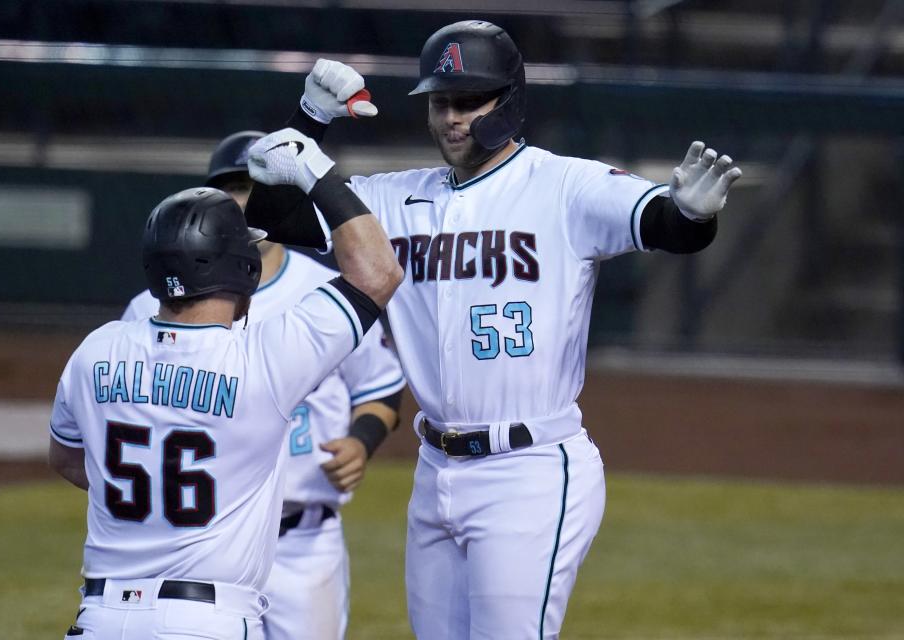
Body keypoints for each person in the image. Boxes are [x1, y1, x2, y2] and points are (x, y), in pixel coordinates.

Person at [244, 20, 743, 640]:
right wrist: (310, 118)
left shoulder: (564, 185)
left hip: (529, 468)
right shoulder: (394, 199)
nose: (451, 117)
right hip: (436, 469)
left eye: (467, 101)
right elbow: (273, 217)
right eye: (439, 102)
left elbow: (666, 224)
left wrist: (691, 214)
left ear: (508, 100)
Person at [48, 132, 403, 640]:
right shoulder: (265, 358)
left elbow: (65, 459)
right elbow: (377, 271)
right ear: (246, 271)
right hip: (205, 618)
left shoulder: (96, 349)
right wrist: (319, 175)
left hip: (103, 615)